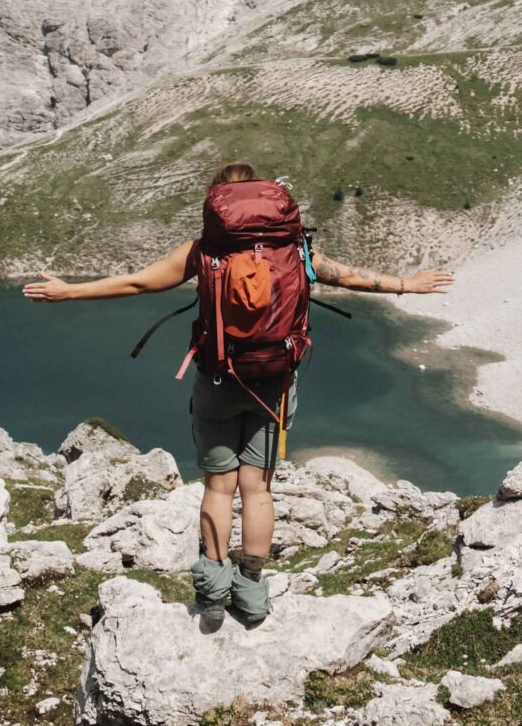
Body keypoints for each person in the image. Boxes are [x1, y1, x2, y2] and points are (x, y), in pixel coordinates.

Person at [23, 163, 453, 631]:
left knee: (218, 488)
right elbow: (347, 277)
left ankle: (211, 595)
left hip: (218, 383)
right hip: (276, 386)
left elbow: (137, 282)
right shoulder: (296, 249)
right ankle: (251, 595)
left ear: (216, 203)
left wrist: (68, 292)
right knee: (258, 490)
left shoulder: (203, 253)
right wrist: (408, 284)